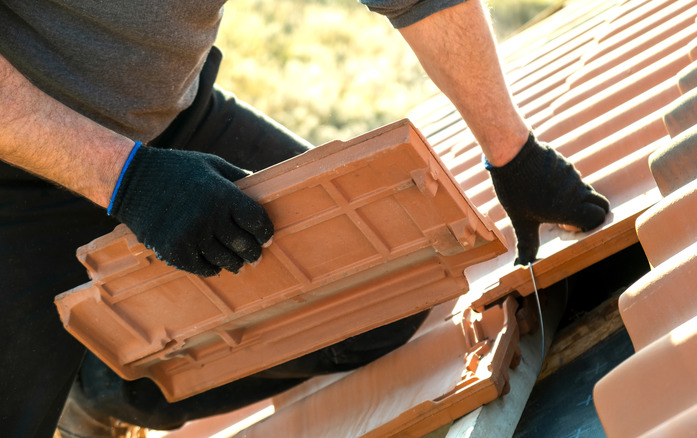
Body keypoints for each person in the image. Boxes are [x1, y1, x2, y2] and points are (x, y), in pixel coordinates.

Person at [0, 0, 609, 436]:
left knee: (379, 296)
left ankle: (101, 387)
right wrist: (125, 178)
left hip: (171, 122)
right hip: (14, 174)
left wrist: (513, 152)